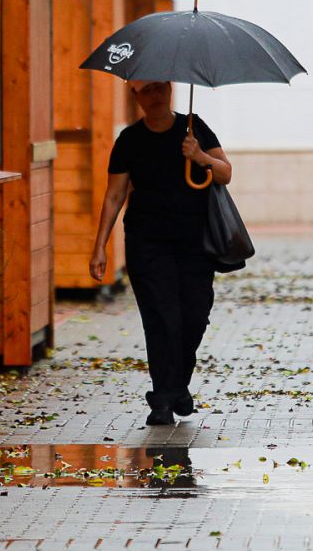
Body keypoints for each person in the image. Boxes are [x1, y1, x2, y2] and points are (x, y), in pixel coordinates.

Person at [89, 80, 233, 426]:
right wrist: (99, 246)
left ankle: (178, 385)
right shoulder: (129, 140)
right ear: (134, 96)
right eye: (146, 90)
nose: (155, 96)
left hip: (196, 243)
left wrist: (199, 156)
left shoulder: (194, 128)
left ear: (169, 89)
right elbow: (114, 196)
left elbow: (225, 173)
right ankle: (163, 399)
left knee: (194, 316)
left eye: (160, 88)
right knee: (161, 319)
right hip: (147, 243)